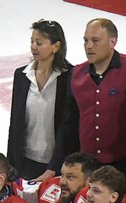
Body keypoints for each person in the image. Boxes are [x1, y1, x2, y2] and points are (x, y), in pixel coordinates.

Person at [70, 18, 126, 194]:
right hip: (89, 167)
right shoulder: (76, 74)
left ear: (113, 42)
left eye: (95, 41)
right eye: (85, 40)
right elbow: (69, 122)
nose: (89, 46)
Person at [7, 20, 79, 182]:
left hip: (56, 164)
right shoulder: (22, 75)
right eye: (32, 41)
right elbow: (15, 123)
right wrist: (10, 163)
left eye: (39, 43)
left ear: (56, 46)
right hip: (24, 160)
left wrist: (55, 166)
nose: (33, 47)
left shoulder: (70, 77)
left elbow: (68, 127)